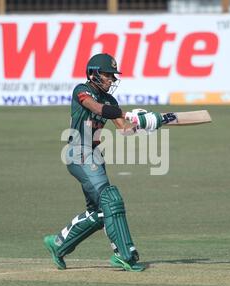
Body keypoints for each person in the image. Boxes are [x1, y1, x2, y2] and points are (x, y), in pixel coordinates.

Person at [43, 53, 163, 272]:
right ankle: (124, 255)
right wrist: (129, 114)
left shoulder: (111, 100)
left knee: (99, 212)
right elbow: (96, 108)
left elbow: (124, 129)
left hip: (94, 155)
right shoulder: (82, 90)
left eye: (113, 76)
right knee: (111, 199)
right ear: (94, 74)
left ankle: (58, 244)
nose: (112, 80)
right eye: (108, 75)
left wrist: (146, 124)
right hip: (78, 152)